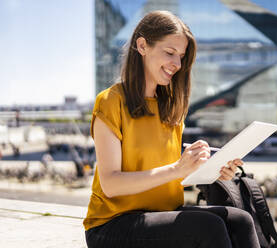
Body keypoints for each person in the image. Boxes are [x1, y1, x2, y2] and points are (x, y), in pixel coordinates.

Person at [83, 11, 260, 248]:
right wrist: (177, 168)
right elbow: (112, 185)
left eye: (181, 56)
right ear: (142, 46)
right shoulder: (110, 101)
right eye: (169, 53)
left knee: (240, 219)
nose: (176, 64)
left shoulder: (170, 107)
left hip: (161, 213)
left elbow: (167, 174)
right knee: (208, 228)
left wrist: (211, 169)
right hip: (113, 224)